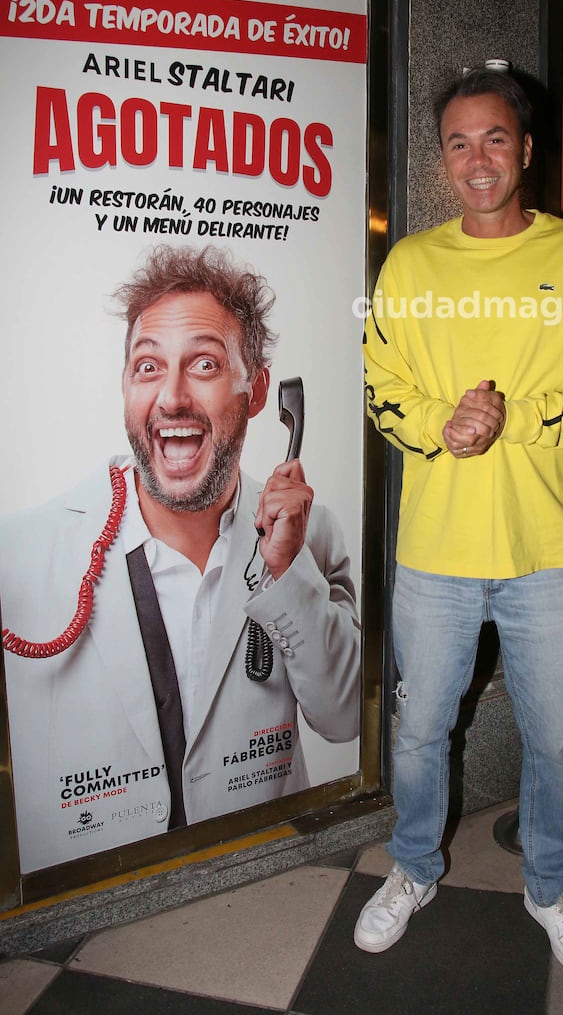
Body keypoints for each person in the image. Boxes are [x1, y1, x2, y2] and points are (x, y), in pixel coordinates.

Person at [356, 64, 563, 976]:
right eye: (458, 143)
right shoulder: (409, 263)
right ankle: (411, 868)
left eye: (495, 139)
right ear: (443, 159)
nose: (477, 160)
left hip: (546, 551)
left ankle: (549, 885)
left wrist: (515, 415)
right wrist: (440, 423)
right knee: (418, 730)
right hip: (435, 551)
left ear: (525, 148)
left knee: (554, 738)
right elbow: (379, 386)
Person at [0, 245, 360, 874]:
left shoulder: (309, 533)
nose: (171, 397)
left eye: (203, 364)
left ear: (257, 393)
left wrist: (284, 571)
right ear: (125, 388)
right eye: (147, 367)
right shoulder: (26, 549)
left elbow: (345, 715)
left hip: (267, 879)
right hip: (91, 906)